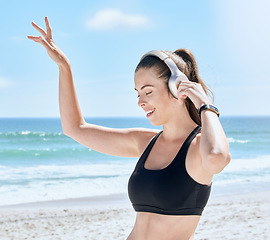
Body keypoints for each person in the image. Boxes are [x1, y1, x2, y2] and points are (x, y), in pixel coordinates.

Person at [28, 17, 231, 240]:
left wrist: (205, 105)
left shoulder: (199, 146)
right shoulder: (144, 142)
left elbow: (217, 157)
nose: (140, 101)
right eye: (137, 93)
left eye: (148, 91)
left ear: (176, 88)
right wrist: (63, 66)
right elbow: (74, 128)